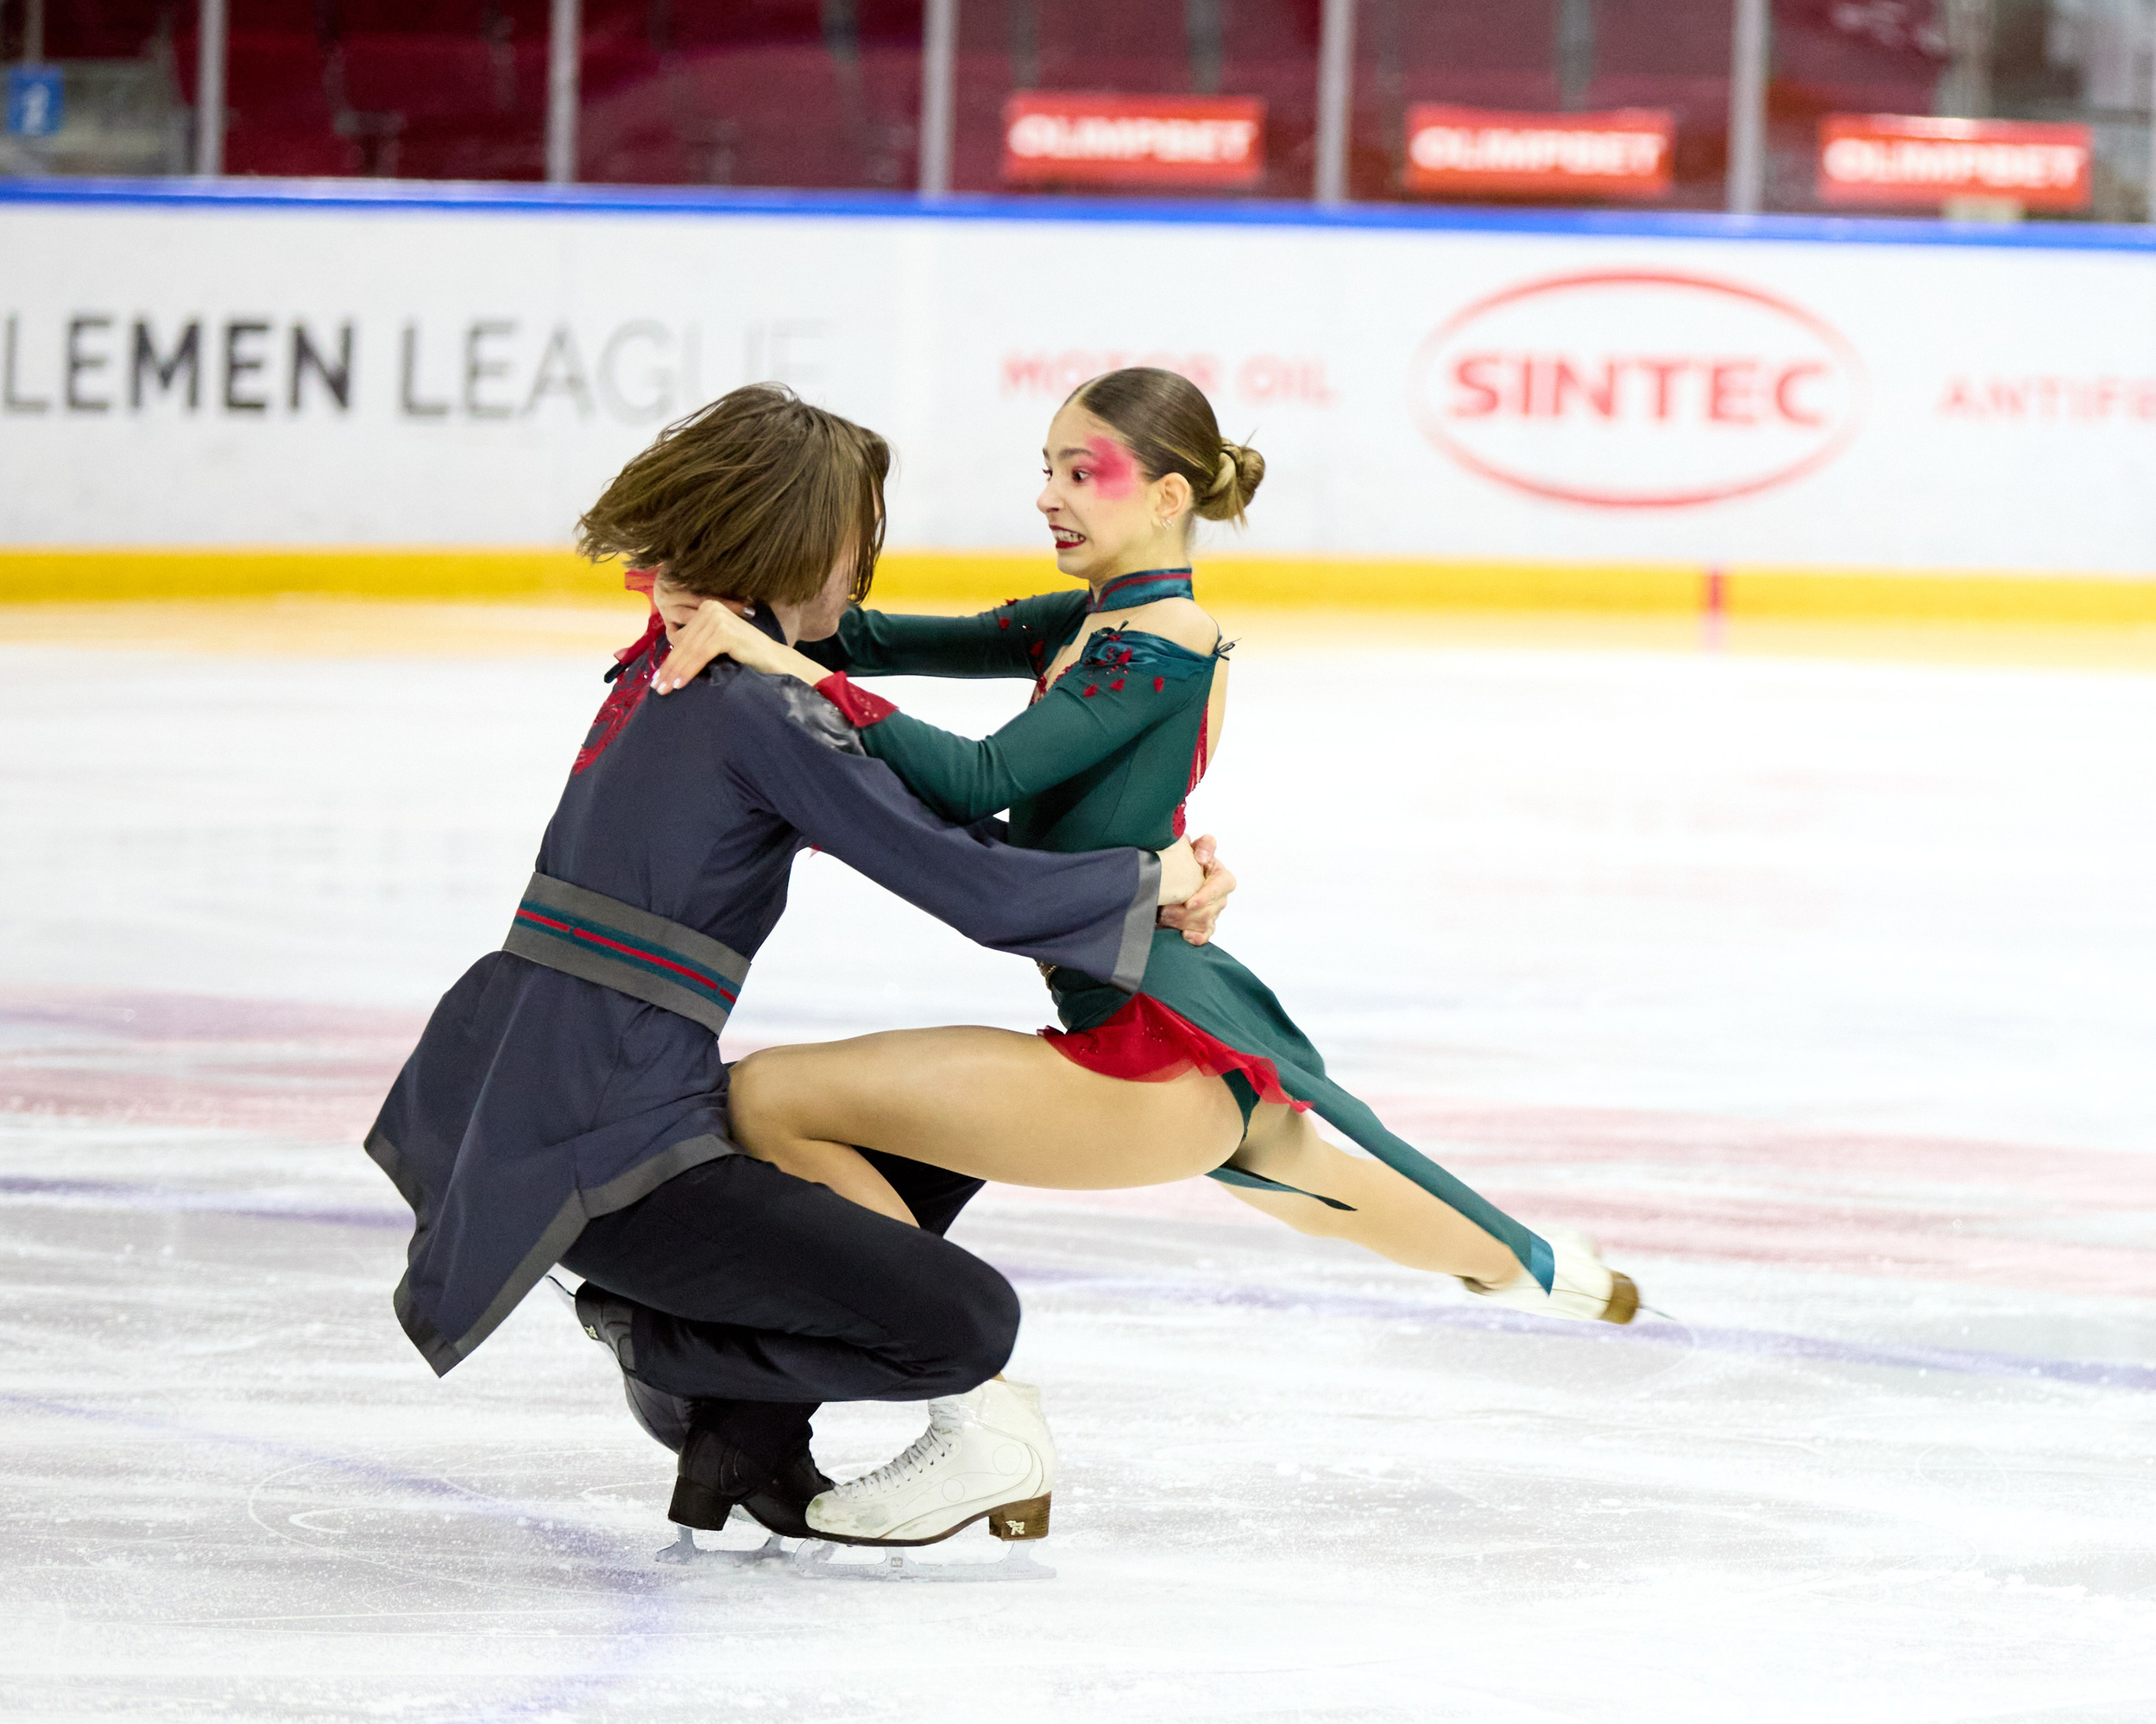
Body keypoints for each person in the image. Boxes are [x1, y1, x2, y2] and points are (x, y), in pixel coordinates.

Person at [651, 369, 1639, 1544]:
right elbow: (865, 636)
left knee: (772, 1100)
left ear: (1166, 495)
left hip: (1144, 1053)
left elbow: (980, 781)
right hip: (1161, 1023)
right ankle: (1549, 1272)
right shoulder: (1088, 624)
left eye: (1083, 472)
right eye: (1048, 470)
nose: (1052, 496)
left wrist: (787, 670)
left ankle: (978, 1419)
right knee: (1320, 1190)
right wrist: (714, 594)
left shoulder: (1158, 643)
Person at [365, 383, 1225, 1553]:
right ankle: (650, 1334)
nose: (863, 577)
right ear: (814, 543)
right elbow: (976, 887)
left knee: (925, 1138)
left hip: (530, 1086)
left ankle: (740, 1432)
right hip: (608, 1142)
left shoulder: (665, 659)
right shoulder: (757, 711)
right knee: (968, 1322)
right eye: (858, 546)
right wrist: (1153, 884)